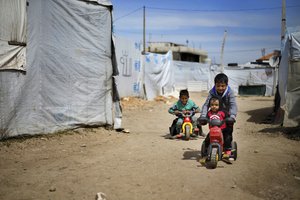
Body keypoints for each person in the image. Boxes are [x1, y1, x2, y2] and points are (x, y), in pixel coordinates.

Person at [198, 73, 237, 158]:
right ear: (215, 85)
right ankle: (206, 149)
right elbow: (206, 105)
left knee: (227, 134)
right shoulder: (212, 92)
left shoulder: (230, 92)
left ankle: (227, 150)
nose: (220, 88)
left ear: (227, 85)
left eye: (223, 86)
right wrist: (203, 116)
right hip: (215, 115)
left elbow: (233, 105)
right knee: (210, 135)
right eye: (218, 86)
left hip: (226, 116)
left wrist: (232, 116)